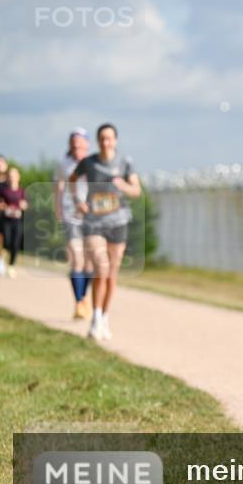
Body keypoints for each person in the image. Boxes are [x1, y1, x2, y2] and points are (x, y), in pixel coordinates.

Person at [69, 123, 141, 340]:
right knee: (101, 268)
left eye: (109, 138)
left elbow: (137, 190)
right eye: (102, 138)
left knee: (111, 275)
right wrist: (78, 201)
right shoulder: (88, 163)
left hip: (118, 222)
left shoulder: (125, 162)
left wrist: (123, 186)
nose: (105, 142)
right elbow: (72, 180)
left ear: (115, 141)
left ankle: (105, 316)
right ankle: (96, 318)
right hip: (94, 222)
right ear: (98, 141)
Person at [54, 128, 94, 318]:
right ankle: (79, 302)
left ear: (87, 144)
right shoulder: (64, 164)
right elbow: (59, 186)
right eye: (73, 143)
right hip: (71, 215)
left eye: (79, 143)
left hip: (92, 217)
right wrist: (58, 209)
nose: (76, 146)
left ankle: (84, 296)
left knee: (89, 263)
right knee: (77, 259)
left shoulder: (93, 162)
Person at [0, 167, 28, 278]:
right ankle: (0, 257)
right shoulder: (3, 191)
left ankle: (11, 265)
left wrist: (24, 206)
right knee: (7, 242)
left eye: (14, 175)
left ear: (18, 176)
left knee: (16, 243)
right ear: (8, 177)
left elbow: (26, 204)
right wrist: (3, 207)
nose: (12, 177)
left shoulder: (22, 191)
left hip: (17, 220)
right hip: (6, 220)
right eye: (10, 175)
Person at [0, 154, 9, 275]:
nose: (0, 166)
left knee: (3, 240)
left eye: (2, 164)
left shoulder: (9, 181)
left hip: (6, 215)